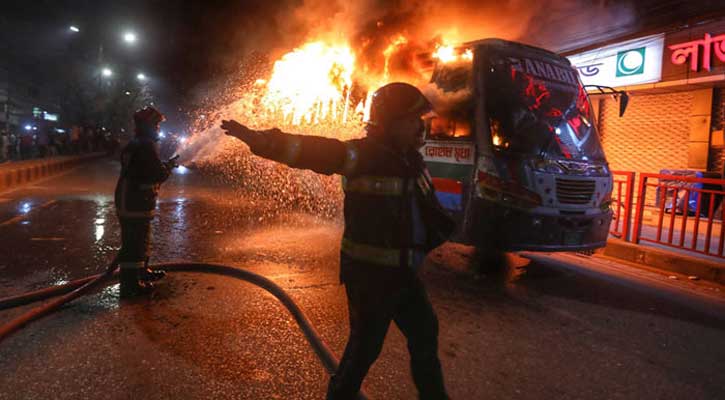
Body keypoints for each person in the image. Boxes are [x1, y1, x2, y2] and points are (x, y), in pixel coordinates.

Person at [221, 82, 454, 400]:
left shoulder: (412, 161)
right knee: (364, 352)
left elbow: (426, 211)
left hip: (405, 276)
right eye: (414, 119)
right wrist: (264, 141)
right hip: (370, 279)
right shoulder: (363, 155)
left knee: (425, 336)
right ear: (393, 121)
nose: (422, 126)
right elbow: (314, 150)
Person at [114, 106, 177, 298]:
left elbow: (144, 171)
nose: (158, 128)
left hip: (134, 200)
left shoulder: (138, 143)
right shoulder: (145, 146)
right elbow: (156, 174)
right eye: (156, 124)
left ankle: (141, 272)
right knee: (134, 243)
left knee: (140, 240)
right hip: (134, 202)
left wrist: (165, 166)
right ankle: (130, 285)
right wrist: (169, 167)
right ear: (148, 125)